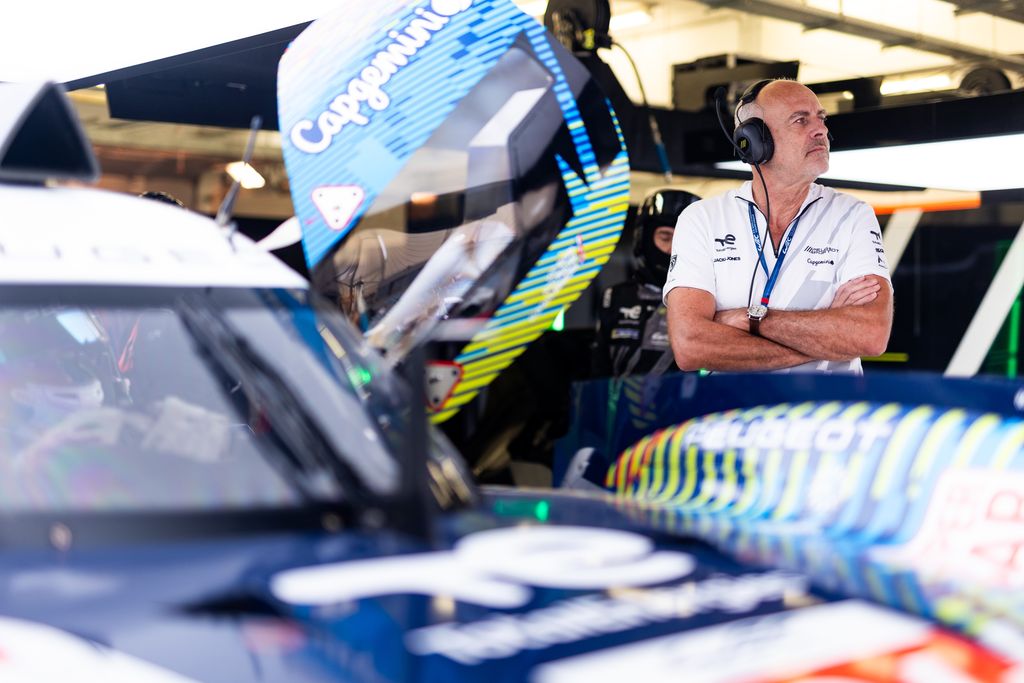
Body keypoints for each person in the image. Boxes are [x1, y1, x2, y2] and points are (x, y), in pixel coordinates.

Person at [664, 79, 892, 373]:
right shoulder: (702, 219)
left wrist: (751, 319)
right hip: (736, 416)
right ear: (755, 140)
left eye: (821, 118)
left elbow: (869, 335)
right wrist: (827, 337)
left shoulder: (852, 215)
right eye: (800, 120)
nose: (821, 130)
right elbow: (691, 347)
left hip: (826, 416)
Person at [594, 188, 700, 377]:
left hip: (686, 405)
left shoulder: (708, 301)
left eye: (682, 240)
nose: (672, 249)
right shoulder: (615, 298)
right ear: (644, 238)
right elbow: (597, 372)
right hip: (621, 404)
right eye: (665, 237)